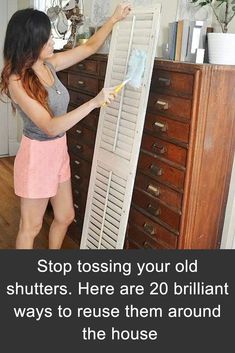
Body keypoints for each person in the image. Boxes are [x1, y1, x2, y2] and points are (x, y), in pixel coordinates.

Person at [0, 3, 132, 249]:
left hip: (58, 151)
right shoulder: (16, 79)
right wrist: (94, 103)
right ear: (30, 42)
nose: (52, 40)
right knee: (31, 227)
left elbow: (90, 47)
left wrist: (114, 19)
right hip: (37, 156)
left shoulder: (49, 64)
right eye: (46, 37)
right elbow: (49, 126)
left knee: (65, 216)